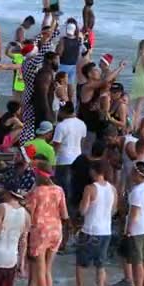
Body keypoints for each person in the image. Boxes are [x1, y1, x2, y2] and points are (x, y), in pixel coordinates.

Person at [68, 160, 115, 286]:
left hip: (90, 229)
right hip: (105, 230)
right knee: (101, 265)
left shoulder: (90, 188)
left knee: (81, 262)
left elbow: (83, 210)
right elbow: (114, 209)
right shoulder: (112, 189)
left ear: (94, 171)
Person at [25, 162, 68, 286]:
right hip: (56, 230)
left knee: (40, 269)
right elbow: (64, 214)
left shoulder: (37, 192)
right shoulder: (59, 190)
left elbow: (30, 211)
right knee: (48, 269)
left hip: (40, 231)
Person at [52, 102, 86, 247]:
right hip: (77, 161)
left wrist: (51, 164)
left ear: (63, 111)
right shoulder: (81, 124)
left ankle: (64, 230)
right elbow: (82, 142)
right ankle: (72, 229)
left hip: (63, 162)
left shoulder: (61, 126)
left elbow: (56, 146)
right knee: (73, 195)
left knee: (63, 197)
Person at [122, 161, 144, 286]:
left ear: (136, 173)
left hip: (137, 230)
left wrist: (128, 230)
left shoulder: (136, 192)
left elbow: (134, 213)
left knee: (137, 262)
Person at [56, 21, 81, 100]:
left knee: (61, 84)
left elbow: (59, 52)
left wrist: (57, 47)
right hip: (73, 65)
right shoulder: (78, 40)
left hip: (63, 64)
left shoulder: (63, 40)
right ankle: (70, 100)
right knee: (70, 84)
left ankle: (63, 101)